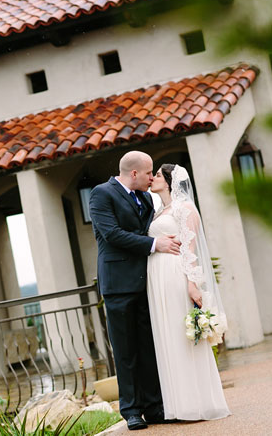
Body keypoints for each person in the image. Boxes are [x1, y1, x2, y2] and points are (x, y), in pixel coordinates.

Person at [89, 150, 181, 431]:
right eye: (149, 172)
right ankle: (131, 410)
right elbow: (112, 234)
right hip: (118, 285)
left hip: (147, 282)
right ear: (133, 174)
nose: (152, 177)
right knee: (126, 350)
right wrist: (156, 245)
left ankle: (154, 406)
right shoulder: (101, 194)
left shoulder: (145, 197)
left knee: (148, 346)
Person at [146, 164, 230, 420]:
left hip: (175, 276)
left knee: (181, 337)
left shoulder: (185, 209)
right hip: (156, 278)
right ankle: (177, 404)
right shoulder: (160, 211)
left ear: (170, 181)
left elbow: (190, 248)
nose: (153, 178)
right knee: (167, 336)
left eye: (158, 175)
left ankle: (197, 403)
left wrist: (192, 283)